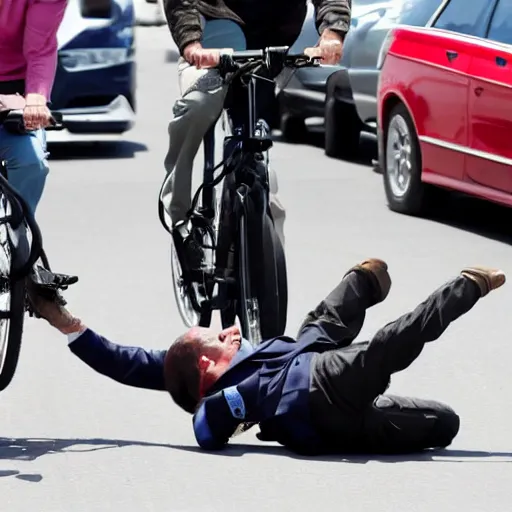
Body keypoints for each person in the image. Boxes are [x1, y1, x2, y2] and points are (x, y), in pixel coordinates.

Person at [28, 258, 505, 455]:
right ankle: (466, 288)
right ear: (204, 365)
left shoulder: (180, 367)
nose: (230, 333)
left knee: (330, 313)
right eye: (219, 339)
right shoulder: (215, 400)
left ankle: (365, 282)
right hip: (318, 392)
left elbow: (123, 360)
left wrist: (62, 320)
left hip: (306, 357)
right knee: (427, 401)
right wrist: (227, 408)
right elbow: (207, 431)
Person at [159, 0, 351, 266]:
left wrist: (332, 31)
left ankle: (266, 243)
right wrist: (191, 42)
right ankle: (178, 216)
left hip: (269, 50)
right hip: (213, 34)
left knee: (254, 149)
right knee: (198, 108)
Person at [0, 0, 67, 215]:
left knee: (31, 161)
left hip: (15, 89)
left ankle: (18, 224)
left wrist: (36, 99)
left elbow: (40, 48)